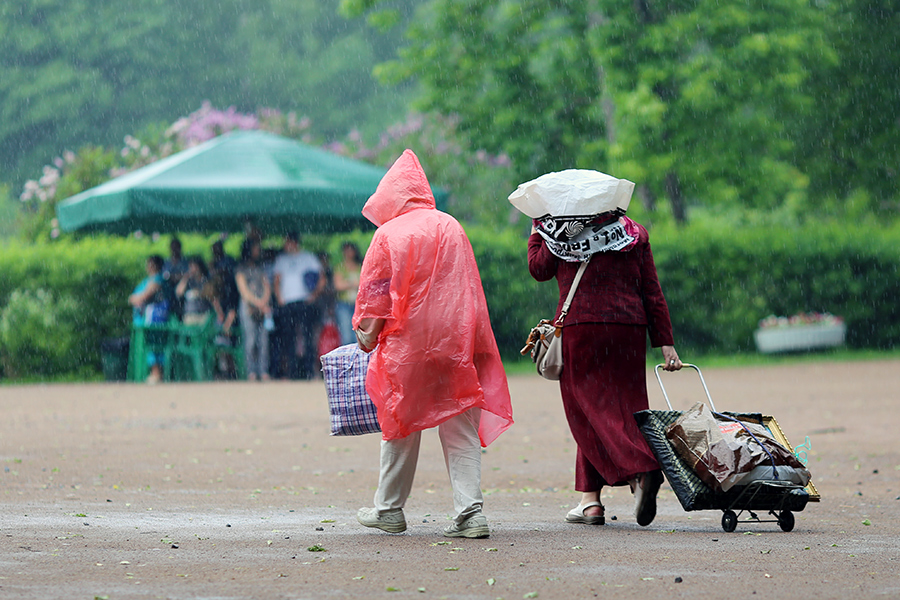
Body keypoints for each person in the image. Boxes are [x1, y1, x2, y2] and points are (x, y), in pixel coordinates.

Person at [353, 149, 513, 538]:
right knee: (460, 424)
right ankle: (471, 513)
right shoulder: (450, 225)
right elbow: (469, 287)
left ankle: (389, 509)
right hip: (455, 342)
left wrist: (367, 334)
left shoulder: (387, 234)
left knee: (400, 424)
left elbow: (376, 297)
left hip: (408, 347)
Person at [527, 200, 683, 528]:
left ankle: (642, 470)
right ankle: (589, 501)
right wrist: (665, 341)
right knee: (621, 409)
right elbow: (651, 291)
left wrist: (536, 233)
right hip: (629, 328)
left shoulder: (558, 231)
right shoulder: (633, 232)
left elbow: (539, 270)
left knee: (586, 410)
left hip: (582, 328)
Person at [272, 231, 325, 380]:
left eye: (288, 242)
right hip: (287, 302)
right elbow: (277, 281)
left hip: (304, 301)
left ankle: (308, 370)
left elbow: (321, 278)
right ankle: (292, 371)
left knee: (307, 336)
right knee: (289, 337)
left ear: (294, 242)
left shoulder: (308, 257)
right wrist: (279, 298)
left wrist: (314, 295)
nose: (286, 245)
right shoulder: (281, 259)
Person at [235, 238, 273, 382]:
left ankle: (263, 371)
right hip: (248, 306)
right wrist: (257, 302)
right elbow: (244, 291)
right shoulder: (241, 268)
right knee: (250, 340)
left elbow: (266, 285)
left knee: (263, 340)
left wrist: (264, 301)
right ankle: (252, 371)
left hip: (262, 306)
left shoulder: (260, 267)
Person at [128, 254, 168, 384]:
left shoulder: (157, 280)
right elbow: (132, 298)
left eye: (149, 263)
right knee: (147, 345)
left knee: (154, 344)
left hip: (154, 319)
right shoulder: (148, 280)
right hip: (142, 319)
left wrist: (136, 298)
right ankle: (150, 373)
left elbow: (142, 297)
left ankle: (157, 373)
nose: (147, 266)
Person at [333, 241, 362, 345]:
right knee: (346, 336)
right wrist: (354, 284)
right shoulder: (340, 267)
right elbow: (338, 286)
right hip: (344, 304)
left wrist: (347, 283)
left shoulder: (360, 266)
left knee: (359, 336)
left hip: (359, 305)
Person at [175, 256, 212, 326]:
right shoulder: (189, 281)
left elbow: (211, 294)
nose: (192, 269)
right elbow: (179, 292)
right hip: (189, 315)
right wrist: (185, 277)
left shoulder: (206, 280)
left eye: (194, 266)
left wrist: (199, 293)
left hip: (203, 314)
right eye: (190, 267)